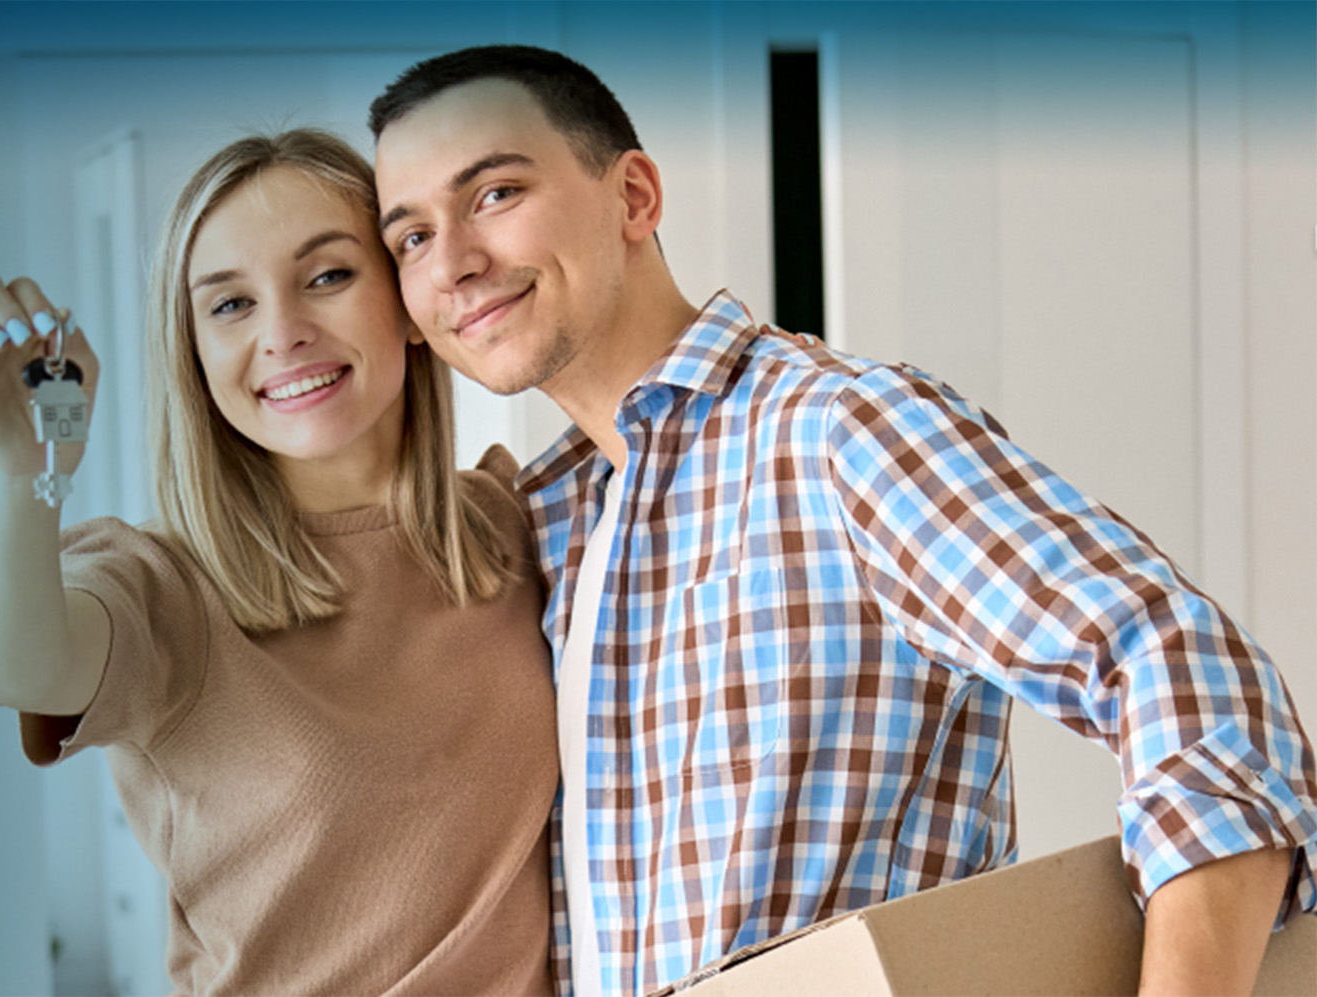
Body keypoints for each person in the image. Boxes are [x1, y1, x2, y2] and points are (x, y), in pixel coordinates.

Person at [367, 44, 1316, 996]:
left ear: (635, 198)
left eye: (493, 194)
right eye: (409, 237)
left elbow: (1191, 680)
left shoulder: (838, 433)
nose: (452, 261)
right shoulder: (543, 523)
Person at [0, 128, 558, 993]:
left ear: (408, 302)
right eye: (230, 305)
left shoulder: (508, 523)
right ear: (195, 354)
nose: (283, 332)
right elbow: (9, 665)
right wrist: (26, 468)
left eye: (327, 276)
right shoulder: (166, 590)